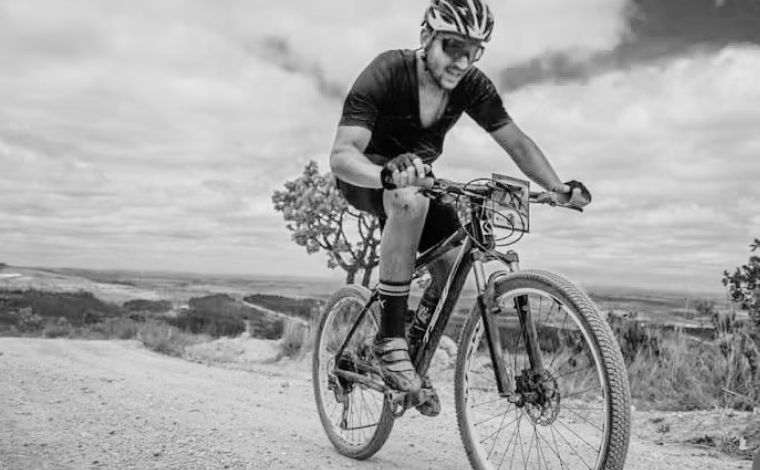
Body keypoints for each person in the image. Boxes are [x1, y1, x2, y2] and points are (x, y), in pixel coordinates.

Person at [329, 0, 591, 417]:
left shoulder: (471, 84)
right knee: (408, 200)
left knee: (453, 261)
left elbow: (516, 142)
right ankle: (390, 342)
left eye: (475, 51)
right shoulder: (388, 71)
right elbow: (342, 155)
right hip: (367, 176)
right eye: (453, 47)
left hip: (420, 178)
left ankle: (414, 346)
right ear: (425, 38)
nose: (462, 61)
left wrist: (557, 187)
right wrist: (384, 176)